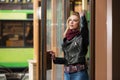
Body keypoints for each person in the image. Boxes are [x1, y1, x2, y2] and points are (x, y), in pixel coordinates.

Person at [48, 11, 89, 80]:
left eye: (75, 20)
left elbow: (84, 29)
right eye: (70, 20)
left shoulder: (81, 37)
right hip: (67, 74)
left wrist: (82, 18)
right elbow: (68, 60)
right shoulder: (66, 39)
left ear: (79, 23)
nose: (71, 22)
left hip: (79, 74)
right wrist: (55, 59)